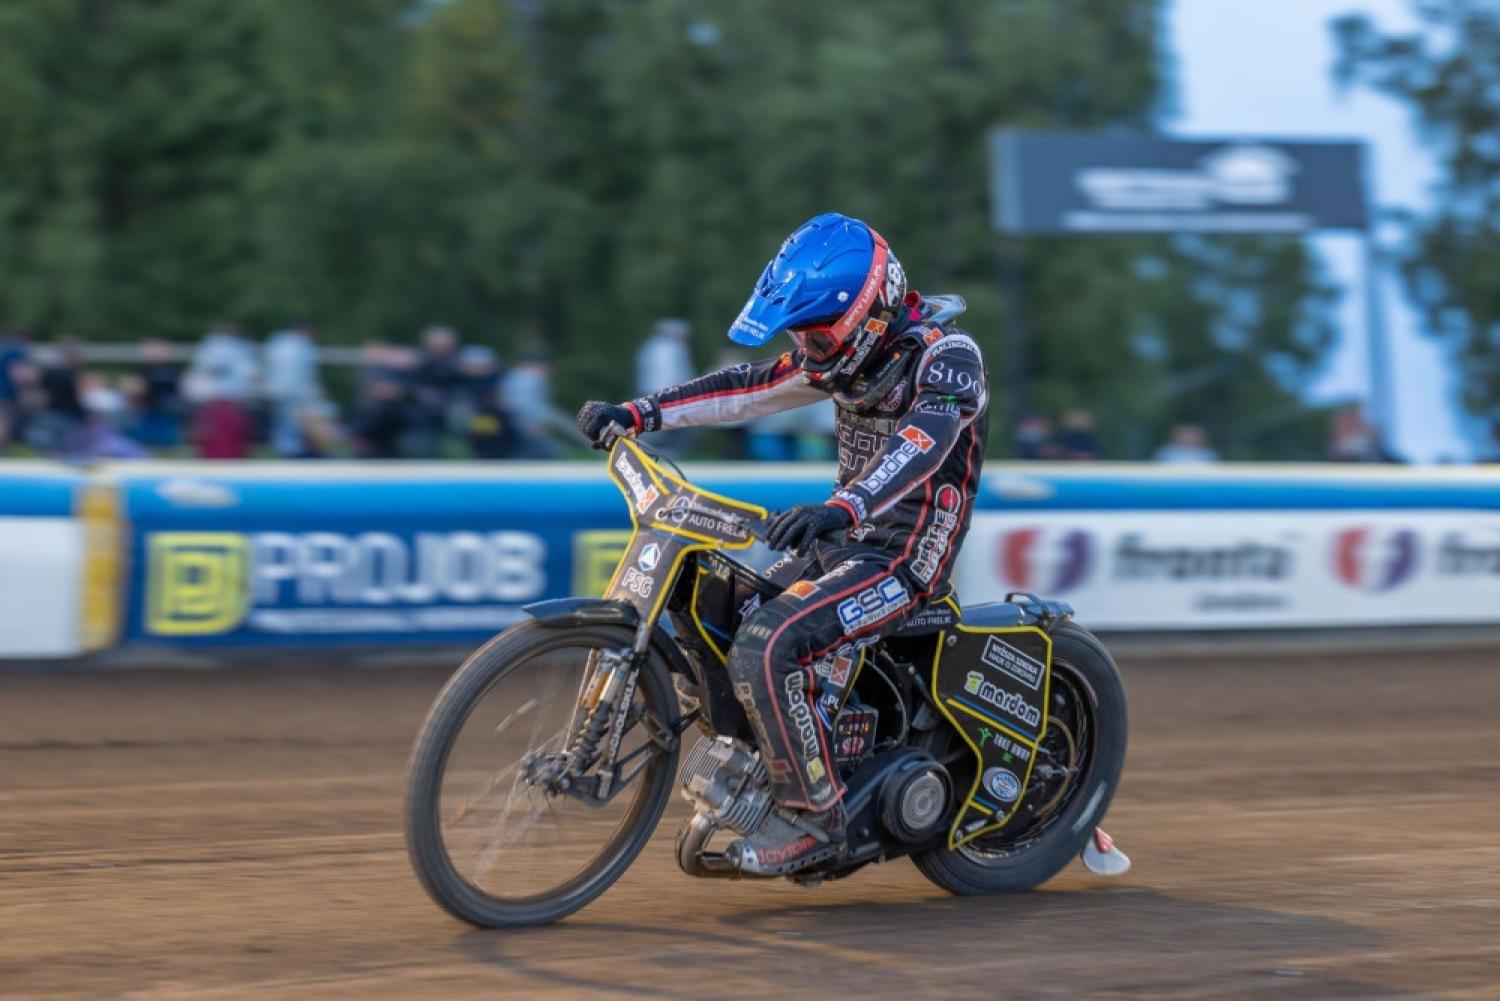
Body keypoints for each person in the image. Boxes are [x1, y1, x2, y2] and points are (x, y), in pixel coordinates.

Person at [577, 212, 989, 875]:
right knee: (720, 615)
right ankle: (771, 762)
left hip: (906, 557)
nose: (809, 349)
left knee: (767, 643)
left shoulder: (948, 356)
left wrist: (843, 506)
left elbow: (922, 445)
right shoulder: (846, 358)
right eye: (802, 335)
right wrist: (638, 412)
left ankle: (816, 817)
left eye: (819, 335)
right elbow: (749, 388)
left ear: (871, 315)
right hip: (846, 538)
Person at [263, 324, 322, 457]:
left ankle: (285, 450)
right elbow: (304, 374)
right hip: (294, 392)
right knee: (292, 425)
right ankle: (293, 453)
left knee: (283, 424)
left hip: (277, 391)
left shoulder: (277, 344)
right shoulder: (301, 347)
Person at [1153, 423, 1218, 464]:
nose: (1189, 437)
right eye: (1185, 433)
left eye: (1193, 434)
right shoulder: (1165, 453)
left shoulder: (1209, 455)